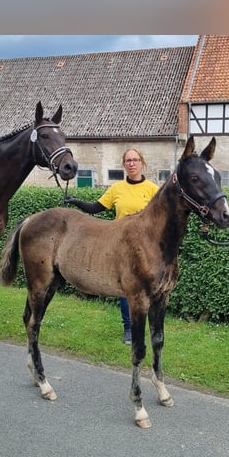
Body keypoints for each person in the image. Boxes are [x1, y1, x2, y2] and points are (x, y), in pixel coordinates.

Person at [64, 148, 159, 345]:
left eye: (135, 160)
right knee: (127, 290)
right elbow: (96, 208)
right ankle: (129, 329)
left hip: (147, 248)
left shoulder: (153, 190)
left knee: (150, 289)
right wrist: (76, 202)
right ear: (124, 165)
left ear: (142, 163)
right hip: (123, 246)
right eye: (128, 161)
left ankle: (147, 327)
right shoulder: (117, 189)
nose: (131, 164)